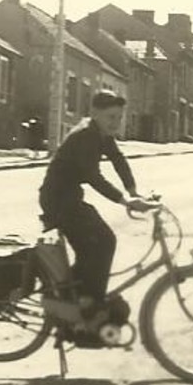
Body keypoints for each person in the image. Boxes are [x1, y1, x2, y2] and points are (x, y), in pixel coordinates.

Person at [38, 91, 142, 316]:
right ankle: (80, 305)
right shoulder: (85, 136)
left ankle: (76, 302)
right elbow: (93, 176)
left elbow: (118, 159)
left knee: (96, 247)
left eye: (119, 118)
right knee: (103, 242)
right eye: (111, 117)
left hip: (69, 198)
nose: (116, 123)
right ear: (95, 114)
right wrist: (124, 200)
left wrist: (134, 192)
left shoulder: (100, 133)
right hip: (58, 200)